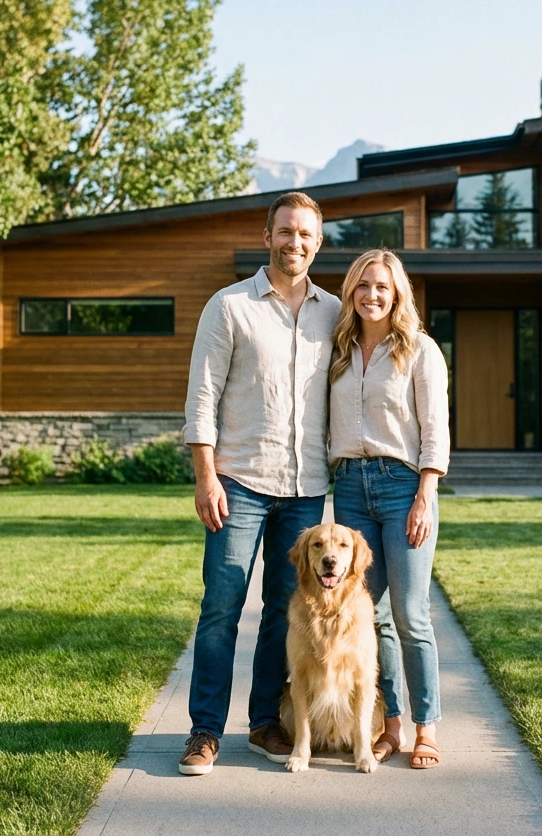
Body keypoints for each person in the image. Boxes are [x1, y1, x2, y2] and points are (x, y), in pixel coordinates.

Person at [178, 192, 341, 776]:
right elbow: (202, 397)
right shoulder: (228, 307)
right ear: (267, 234)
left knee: (282, 608)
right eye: (286, 231)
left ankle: (264, 722)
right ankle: (203, 732)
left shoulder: (334, 312)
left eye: (306, 234)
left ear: (317, 243)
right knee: (221, 607)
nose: (295, 242)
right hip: (239, 481)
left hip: (304, 490)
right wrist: (205, 475)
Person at [329, 248, 450, 769]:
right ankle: (392, 725)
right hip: (351, 487)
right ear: (351, 291)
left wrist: (426, 495)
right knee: (371, 617)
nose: (372, 295)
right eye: (363, 286)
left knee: (410, 614)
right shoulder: (338, 351)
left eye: (382, 287)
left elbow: (435, 429)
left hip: (403, 487)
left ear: (397, 293)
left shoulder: (420, 350)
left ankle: (427, 728)